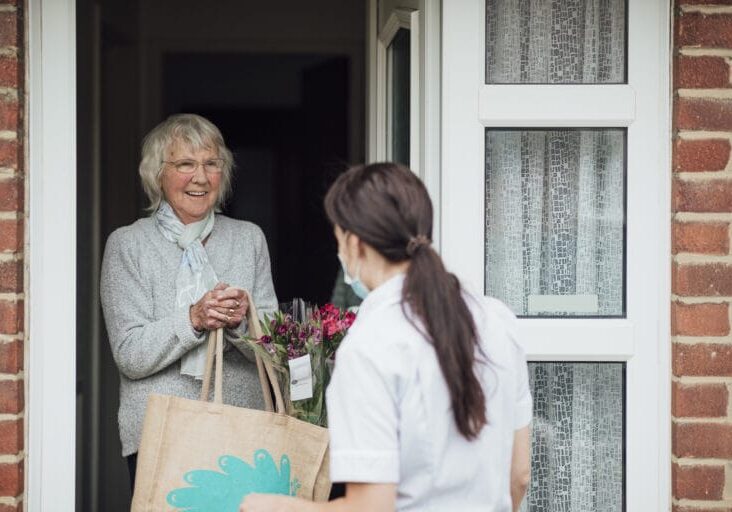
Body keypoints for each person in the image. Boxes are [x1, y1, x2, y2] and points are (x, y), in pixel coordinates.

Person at [240, 163, 532, 512]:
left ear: (353, 243)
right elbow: (519, 475)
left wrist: (271, 507)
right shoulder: (497, 320)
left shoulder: (369, 345)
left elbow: (369, 508)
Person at [100, 113, 278, 491]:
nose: (200, 177)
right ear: (157, 174)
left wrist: (240, 323)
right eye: (185, 164)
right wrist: (195, 319)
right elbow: (130, 354)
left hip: (244, 435)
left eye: (211, 164)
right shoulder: (127, 245)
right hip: (160, 435)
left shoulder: (249, 239)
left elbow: (275, 348)